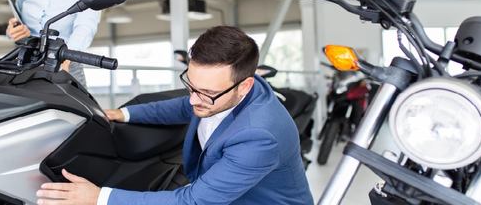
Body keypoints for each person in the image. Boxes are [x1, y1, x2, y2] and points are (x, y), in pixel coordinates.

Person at [36, 26, 314, 205]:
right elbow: (182, 106)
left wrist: (100, 197)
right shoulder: (226, 91)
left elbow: (194, 201)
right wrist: (124, 113)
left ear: (245, 85)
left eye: (205, 92)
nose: (194, 99)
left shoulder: (258, 136)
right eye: (191, 85)